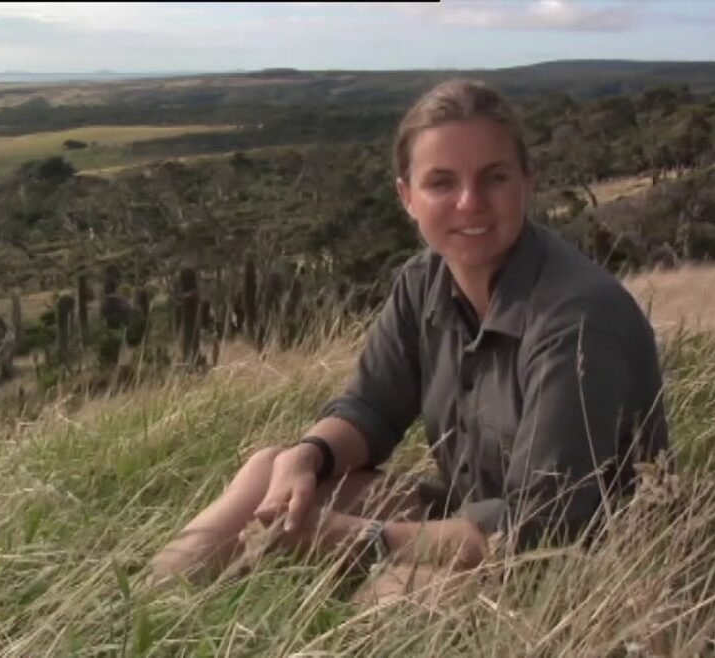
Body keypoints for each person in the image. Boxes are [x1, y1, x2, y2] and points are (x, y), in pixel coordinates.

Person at [149, 79, 670, 603]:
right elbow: (371, 410)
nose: (470, 203)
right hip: (467, 518)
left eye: (494, 178)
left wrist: (361, 539)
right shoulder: (424, 282)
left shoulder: (576, 319)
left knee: (394, 597)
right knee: (271, 470)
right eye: (442, 182)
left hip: (569, 555)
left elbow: (542, 525)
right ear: (407, 197)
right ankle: (147, 609)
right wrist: (305, 458)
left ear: (526, 183)